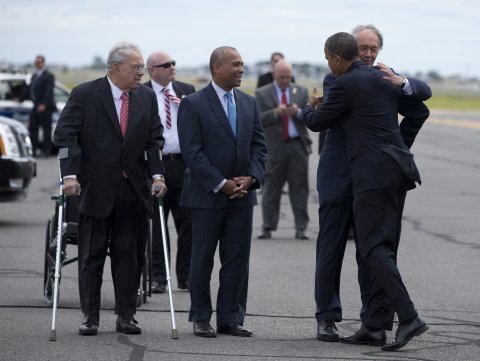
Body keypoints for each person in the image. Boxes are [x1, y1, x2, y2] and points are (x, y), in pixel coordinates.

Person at [304, 32, 429, 352]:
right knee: (334, 249)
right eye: (363, 49)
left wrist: (396, 145)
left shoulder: (383, 78)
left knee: (374, 250)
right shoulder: (340, 78)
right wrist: (393, 151)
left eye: (374, 48)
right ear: (352, 51)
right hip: (342, 177)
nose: (369, 53)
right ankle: (328, 317)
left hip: (373, 174)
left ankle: (378, 323)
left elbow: (419, 106)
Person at [54, 42, 167, 336]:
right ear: (116, 69)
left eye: (143, 67)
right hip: (95, 188)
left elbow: (154, 140)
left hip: (133, 190)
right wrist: (69, 176)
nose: (142, 73)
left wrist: (157, 175)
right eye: (137, 67)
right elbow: (65, 136)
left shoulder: (146, 97)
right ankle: (90, 316)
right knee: (91, 255)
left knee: (129, 256)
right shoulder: (85, 94)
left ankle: (126, 315)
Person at [177, 46, 267, 338]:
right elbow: (192, 152)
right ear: (217, 67)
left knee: (237, 259)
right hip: (206, 196)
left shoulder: (249, 103)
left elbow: (259, 147)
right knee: (202, 258)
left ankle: (231, 318)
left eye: (243, 65)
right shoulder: (193, 103)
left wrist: (252, 178)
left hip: (243, 197)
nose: (241, 69)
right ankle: (201, 317)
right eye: (236, 65)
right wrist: (221, 183)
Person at [145, 51, 195, 293]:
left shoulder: (187, 90)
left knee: (187, 224)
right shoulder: (142, 93)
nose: (172, 67)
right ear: (152, 70)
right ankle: (158, 276)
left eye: (174, 63)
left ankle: (185, 275)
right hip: (157, 165)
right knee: (158, 225)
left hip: (184, 165)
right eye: (166, 65)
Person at [255, 60, 311, 240]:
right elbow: (258, 120)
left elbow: (311, 118)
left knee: (300, 188)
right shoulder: (262, 93)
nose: (285, 81)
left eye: (288, 77)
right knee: (271, 187)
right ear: (274, 75)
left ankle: (301, 228)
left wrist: (299, 113)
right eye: (281, 77)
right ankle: (267, 226)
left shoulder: (301, 92)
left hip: (297, 146)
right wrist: (275, 113)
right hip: (274, 147)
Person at [21, 55, 57, 157]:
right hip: (35, 106)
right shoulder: (34, 76)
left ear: (43, 63)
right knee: (33, 129)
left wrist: (44, 104)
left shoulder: (49, 76)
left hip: (45, 108)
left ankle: (46, 151)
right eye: (36, 63)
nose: (37, 65)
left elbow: (49, 92)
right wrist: (19, 98)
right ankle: (34, 150)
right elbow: (29, 90)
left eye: (39, 63)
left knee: (46, 130)